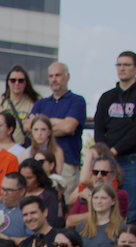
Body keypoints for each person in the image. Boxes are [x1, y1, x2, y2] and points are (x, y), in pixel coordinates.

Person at [92, 52, 136, 235]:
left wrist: (114, 149)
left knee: (133, 211)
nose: (122, 68)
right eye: (119, 64)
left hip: (133, 160)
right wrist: (103, 152)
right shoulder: (107, 97)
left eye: (127, 65)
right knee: (102, 206)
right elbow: (99, 126)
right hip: (107, 161)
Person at [27, 62, 86, 197]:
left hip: (67, 162)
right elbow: (27, 126)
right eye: (51, 76)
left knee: (63, 205)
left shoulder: (77, 101)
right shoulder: (41, 103)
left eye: (58, 75)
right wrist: (58, 122)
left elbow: (68, 127)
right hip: (39, 162)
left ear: (67, 76)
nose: (54, 79)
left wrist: (43, 123)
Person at [65, 153, 129, 227]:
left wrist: (89, 198)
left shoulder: (120, 195)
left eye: (104, 173)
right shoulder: (85, 193)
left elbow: (103, 218)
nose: (99, 176)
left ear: (114, 176)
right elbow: (69, 222)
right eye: (95, 172)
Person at [0, 64, 39, 145]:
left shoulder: (35, 102)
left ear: (26, 83)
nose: (17, 83)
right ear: (8, 82)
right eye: (13, 80)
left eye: (20, 80)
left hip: (23, 150)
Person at [76, 183, 122, 247]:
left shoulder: (121, 228)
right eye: (96, 198)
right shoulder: (81, 227)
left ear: (113, 201)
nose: (99, 201)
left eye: (103, 198)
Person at [19, 158, 60, 227]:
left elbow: (51, 221)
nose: (25, 182)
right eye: (23, 178)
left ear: (38, 177)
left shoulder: (48, 195)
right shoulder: (16, 193)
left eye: (29, 178)